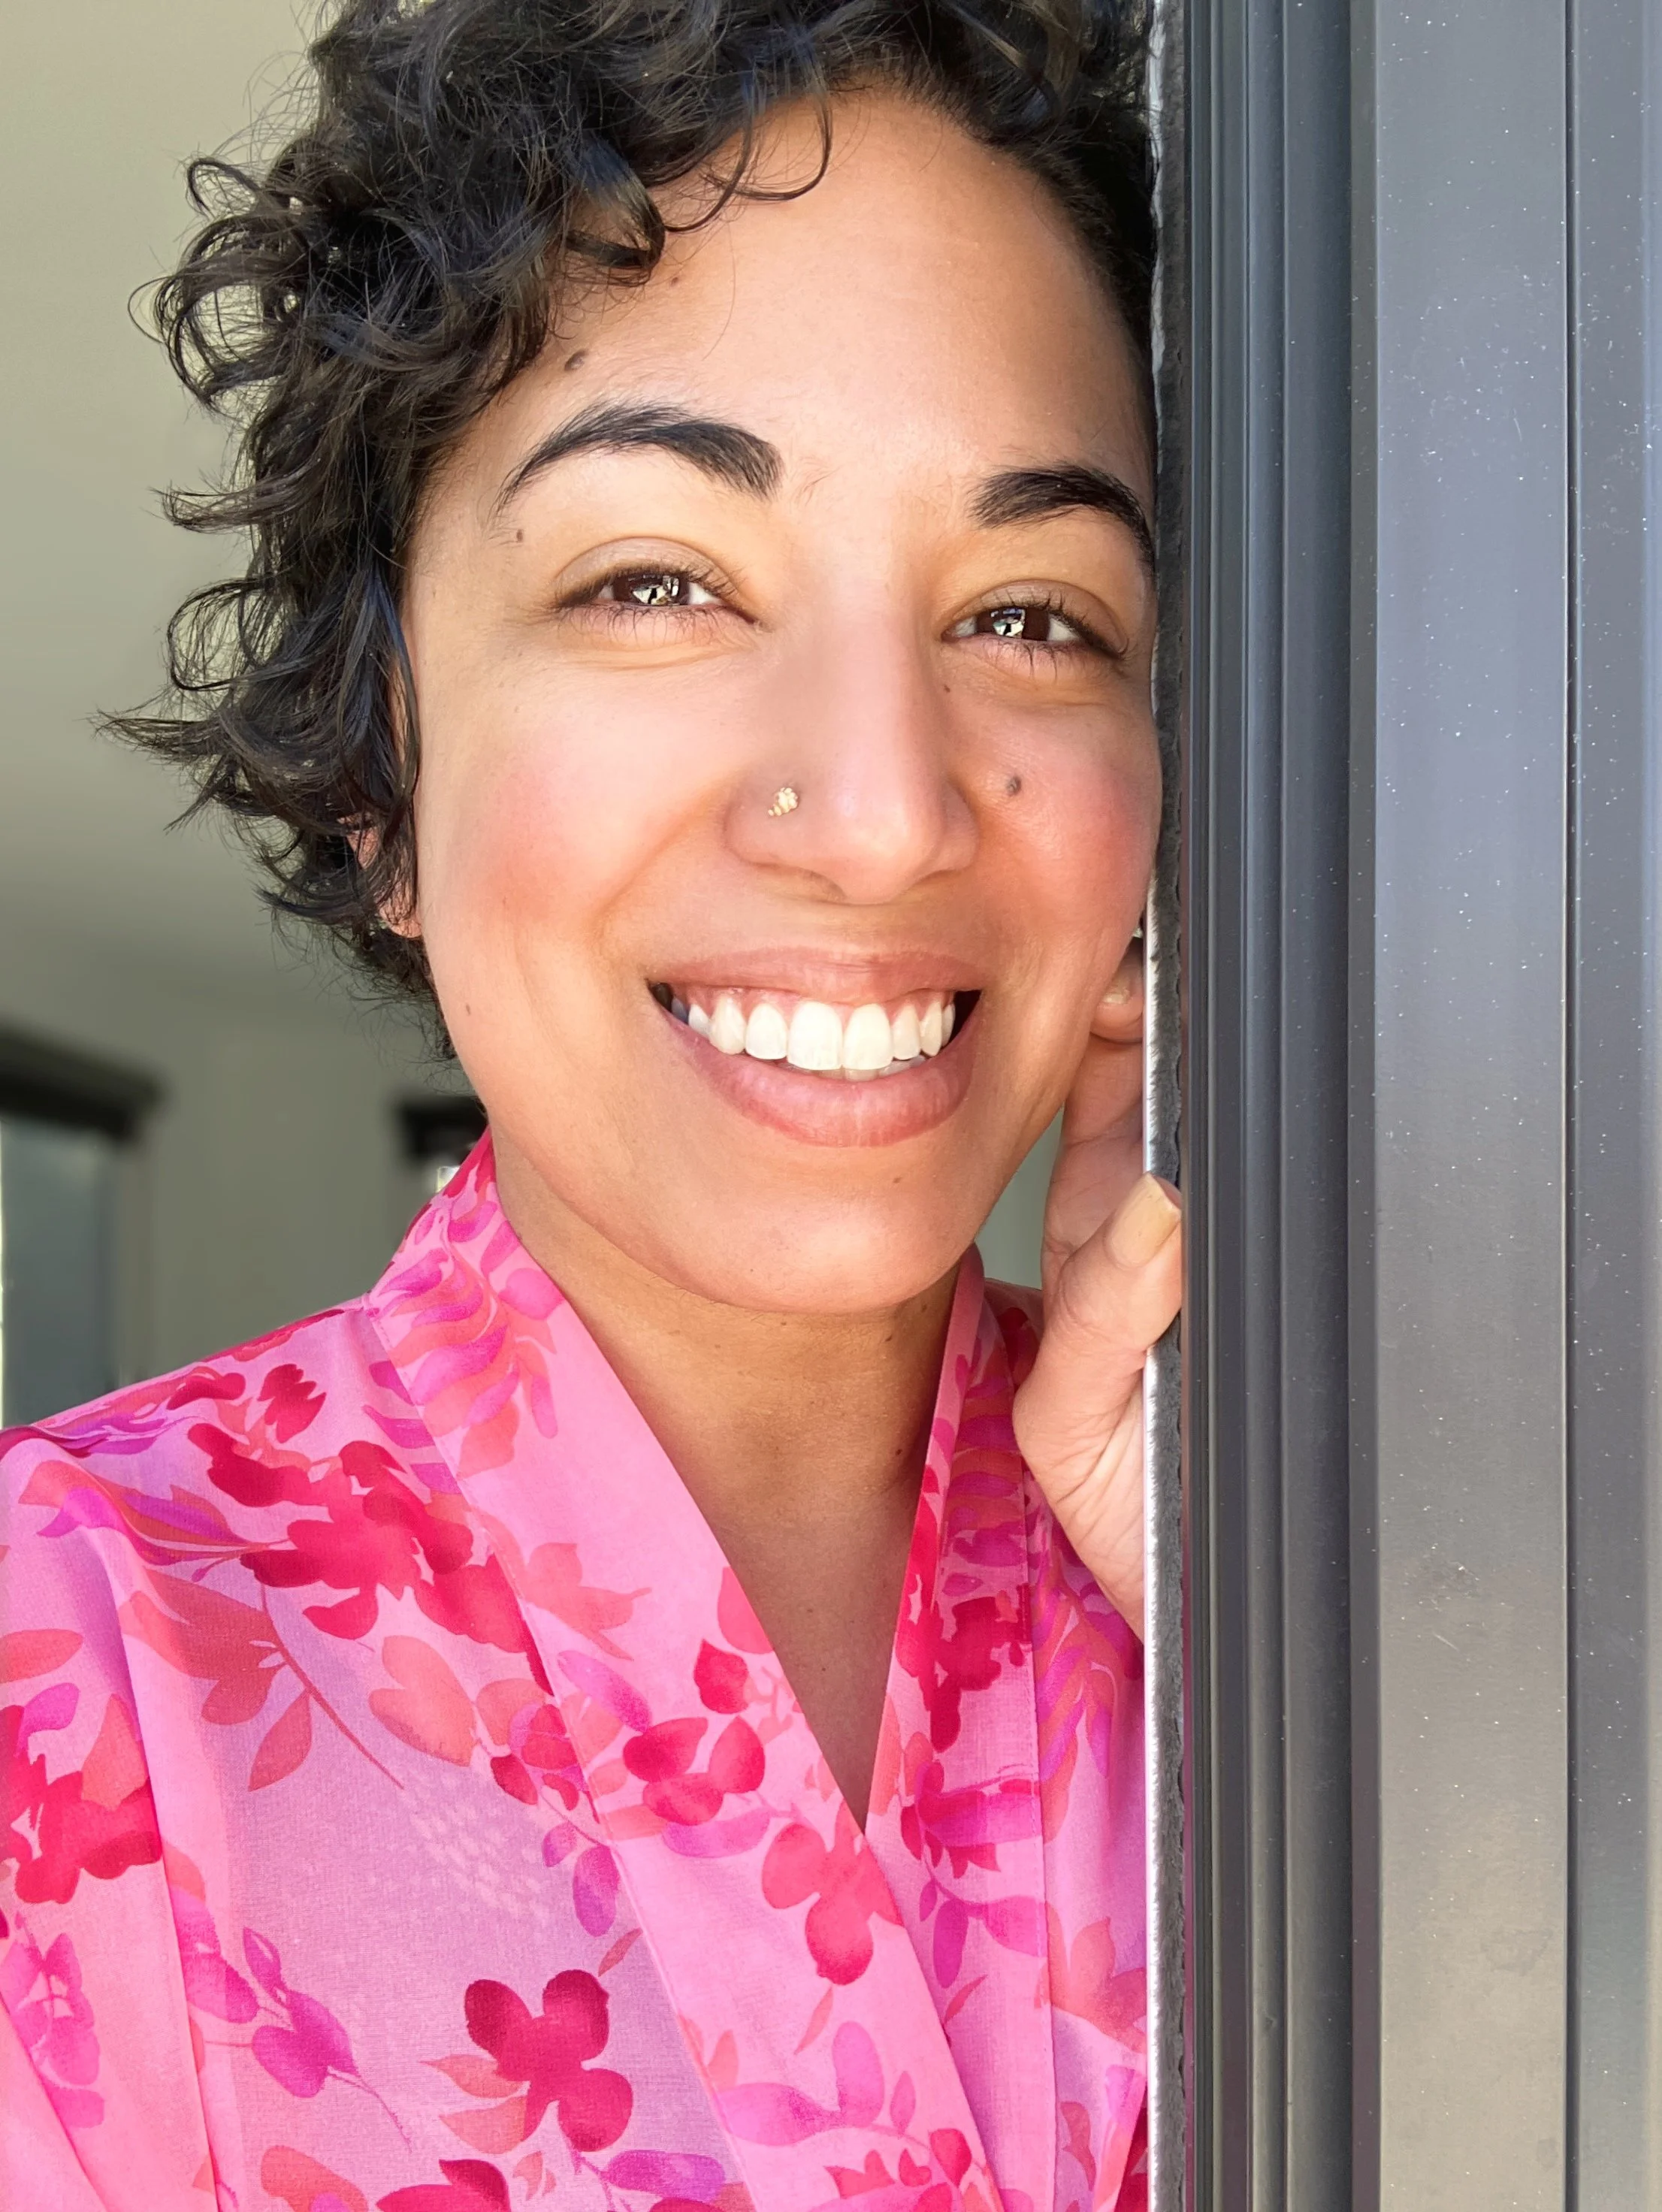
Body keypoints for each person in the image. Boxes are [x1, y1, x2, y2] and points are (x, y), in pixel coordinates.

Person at [0, 1, 1180, 2205]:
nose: (878, 811)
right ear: (380, 759)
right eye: (657, 582)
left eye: (1028, 615)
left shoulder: (1269, 1613)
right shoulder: (67, 1669)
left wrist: (1327, 1625)